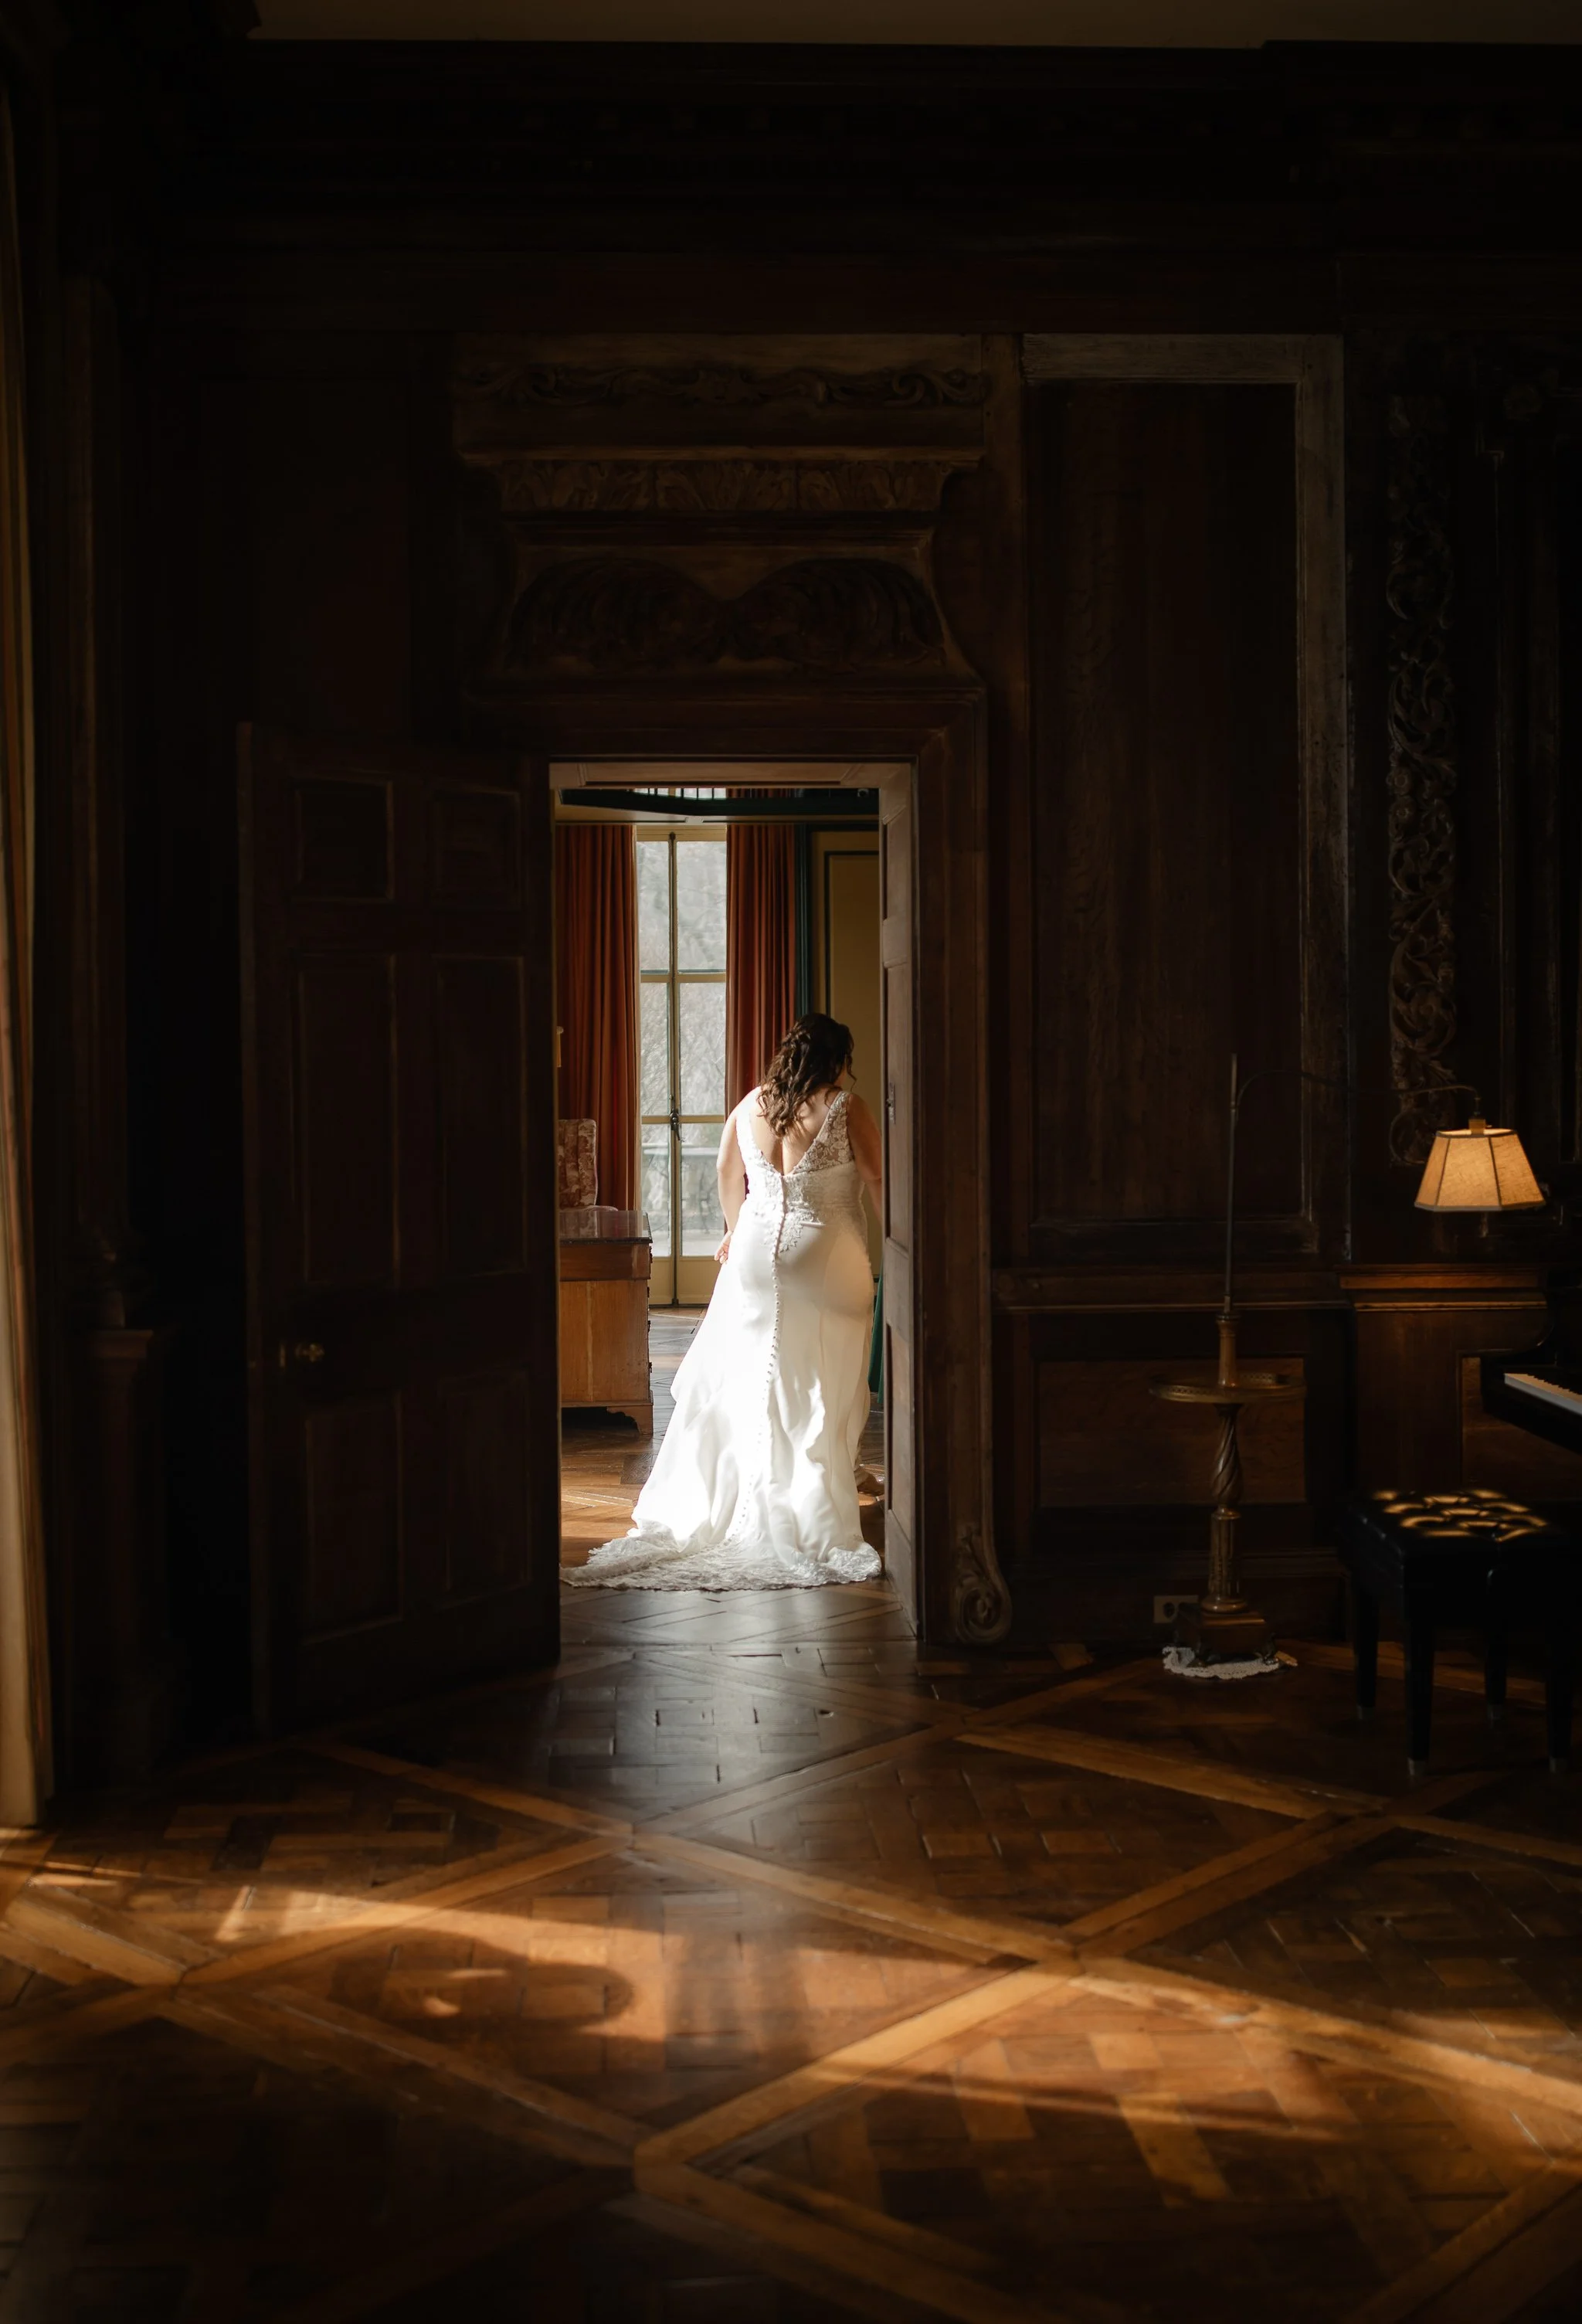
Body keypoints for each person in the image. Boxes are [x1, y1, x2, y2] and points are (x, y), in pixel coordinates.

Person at [565, 1012, 884, 1591]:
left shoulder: (753, 1104)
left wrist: (738, 1232)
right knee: (821, 1377)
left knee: (753, 1376)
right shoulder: (844, 1107)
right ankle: (808, 1487)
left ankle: (756, 1486)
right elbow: (878, 1178)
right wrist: (898, 1241)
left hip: (757, 1258)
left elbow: (723, 1169)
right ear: (836, 1060)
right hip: (826, 1257)